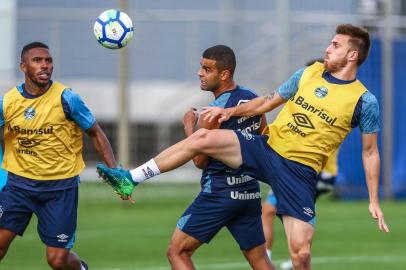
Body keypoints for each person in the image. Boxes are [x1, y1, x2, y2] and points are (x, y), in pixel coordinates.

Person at [97, 24, 390, 270]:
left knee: (300, 256)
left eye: (335, 45)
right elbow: (266, 102)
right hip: (268, 149)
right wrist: (228, 113)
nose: (328, 48)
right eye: (330, 43)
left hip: (299, 173)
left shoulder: (365, 101)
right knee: (202, 139)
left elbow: (370, 152)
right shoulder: (309, 73)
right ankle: (130, 179)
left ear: (352, 54)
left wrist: (373, 200)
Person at [0, 42, 117, 270]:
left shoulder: (67, 99)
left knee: (57, 261)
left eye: (48, 61)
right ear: (23, 66)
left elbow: (95, 132)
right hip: (18, 187)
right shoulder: (7, 102)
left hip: (59, 189)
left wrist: (115, 172)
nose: (45, 66)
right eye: (37, 61)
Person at [164, 45, 273, 270]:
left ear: (224, 74)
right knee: (261, 261)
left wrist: (189, 127)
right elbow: (265, 138)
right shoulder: (252, 100)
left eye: (207, 69)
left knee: (177, 251)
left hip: (220, 193)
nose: (200, 73)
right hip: (249, 192)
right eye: (201, 67)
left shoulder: (213, 111)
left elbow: (199, 161)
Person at [262, 149, 339, 269]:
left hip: (307, 171)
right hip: (321, 173)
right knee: (299, 217)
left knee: (268, 210)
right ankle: (298, 257)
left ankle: (264, 261)